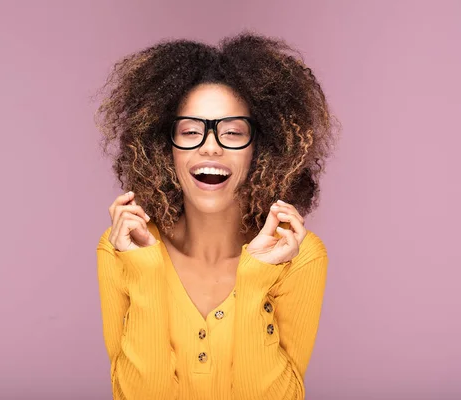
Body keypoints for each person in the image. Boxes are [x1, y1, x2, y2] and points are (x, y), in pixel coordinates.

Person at [95, 32, 337, 400]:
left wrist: (256, 279)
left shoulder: (298, 255)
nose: (211, 147)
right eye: (191, 131)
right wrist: (144, 274)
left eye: (233, 132)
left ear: (263, 148)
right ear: (164, 147)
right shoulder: (121, 248)